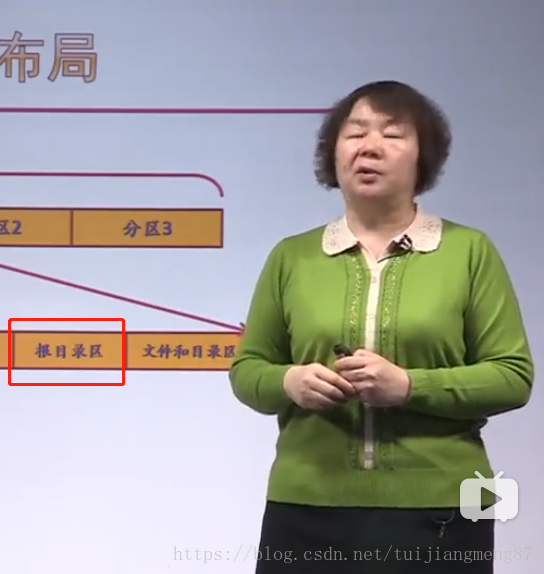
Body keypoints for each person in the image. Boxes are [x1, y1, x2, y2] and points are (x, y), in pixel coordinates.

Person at [229, 80, 534, 573]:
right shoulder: (291, 256)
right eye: (355, 134)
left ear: (422, 157)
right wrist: (290, 381)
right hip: (306, 507)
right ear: (333, 154)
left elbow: (511, 376)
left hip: (442, 509)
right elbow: (248, 370)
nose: (369, 147)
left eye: (392, 134)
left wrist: (409, 386)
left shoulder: (469, 251)